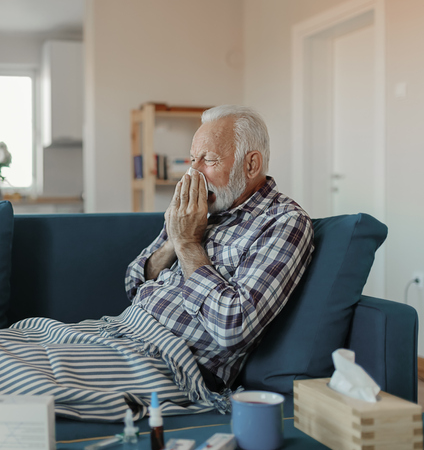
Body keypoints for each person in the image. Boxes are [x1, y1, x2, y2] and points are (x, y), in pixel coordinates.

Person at [126, 104, 314, 392]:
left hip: (166, 362)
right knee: (29, 337)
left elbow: (234, 327)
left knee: (31, 382)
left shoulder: (284, 222)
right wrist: (174, 241)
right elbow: (132, 283)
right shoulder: (197, 209)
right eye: (192, 160)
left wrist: (188, 244)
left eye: (209, 160)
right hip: (122, 330)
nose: (193, 173)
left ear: (251, 164)